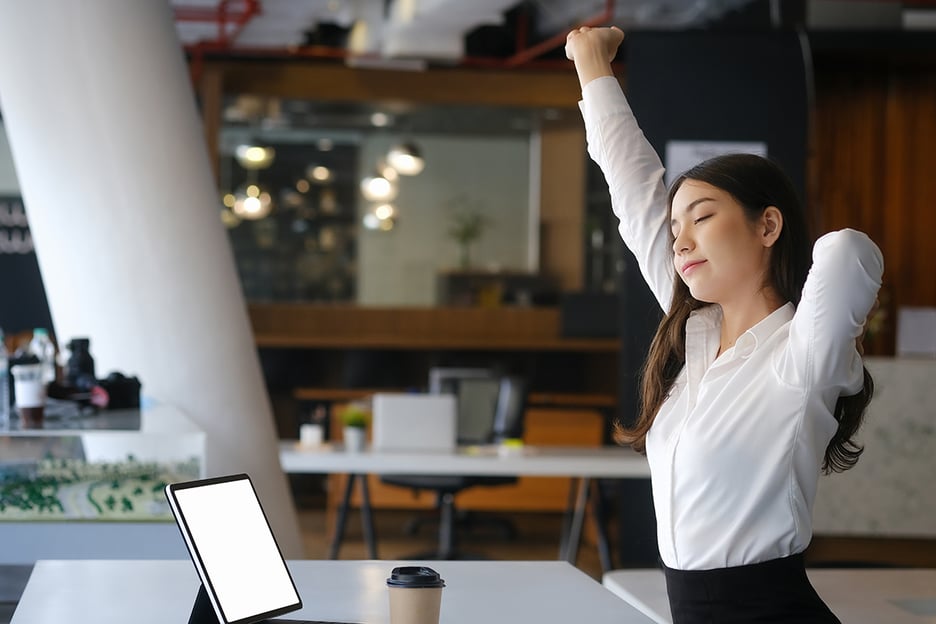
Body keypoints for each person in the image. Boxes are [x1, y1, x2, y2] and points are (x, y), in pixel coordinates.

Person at [565, 26, 883, 623]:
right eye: (677, 225)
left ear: (768, 226)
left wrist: (820, 304)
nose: (681, 241)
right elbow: (634, 193)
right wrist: (591, 64)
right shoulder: (693, 335)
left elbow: (846, 252)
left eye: (703, 218)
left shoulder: (802, 355)